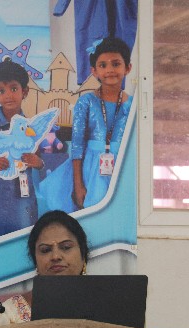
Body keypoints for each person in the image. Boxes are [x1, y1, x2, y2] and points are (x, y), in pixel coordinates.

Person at [39, 36, 133, 212]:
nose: (110, 70)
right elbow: (77, 144)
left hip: (123, 166)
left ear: (128, 67)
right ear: (94, 71)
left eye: (116, 64)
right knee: (92, 210)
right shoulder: (86, 102)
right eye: (103, 65)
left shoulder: (133, 105)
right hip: (90, 168)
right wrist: (78, 184)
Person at [0, 60, 43, 243]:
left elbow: (40, 160)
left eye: (13, 89)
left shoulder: (31, 127)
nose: (8, 96)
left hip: (22, 195)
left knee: (23, 241)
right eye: (1, 91)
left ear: (24, 91)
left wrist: (37, 162)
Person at [3, 210, 90, 322]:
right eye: (45, 250)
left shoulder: (107, 302)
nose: (55, 256)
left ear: (83, 254)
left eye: (66, 247)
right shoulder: (10, 314)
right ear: (35, 260)